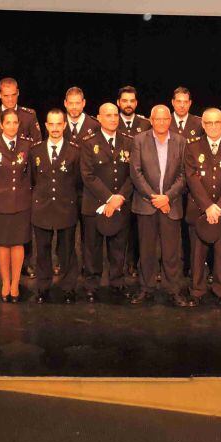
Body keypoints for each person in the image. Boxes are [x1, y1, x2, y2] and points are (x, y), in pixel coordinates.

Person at [129, 105, 190, 307]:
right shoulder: (139, 140)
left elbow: (184, 174)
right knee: (146, 251)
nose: (162, 122)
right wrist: (155, 197)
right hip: (146, 204)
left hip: (170, 205)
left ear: (169, 121)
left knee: (172, 252)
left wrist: (168, 197)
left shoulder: (181, 141)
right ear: (151, 120)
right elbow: (136, 173)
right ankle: (146, 288)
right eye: (158, 119)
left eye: (165, 119)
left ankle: (173, 290)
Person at [79, 103, 135, 302]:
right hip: (94, 203)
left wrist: (119, 198)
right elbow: (87, 175)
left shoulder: (129, 141)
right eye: (108, 115)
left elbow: (133, 175)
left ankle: (117, 283)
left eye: (115, 115)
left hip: (121, 203)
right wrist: (109, 198)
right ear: (99, 118)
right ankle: (91, 285)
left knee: (118, 246)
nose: (113, 119)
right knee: (92, 247)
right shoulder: (88, 142)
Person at [184, 108, 221, 307]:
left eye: (217, 122)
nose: (213, 126)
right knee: (197, 254)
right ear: (203, 125)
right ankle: (197, 290)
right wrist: (208, 206)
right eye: (209, 123)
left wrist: (219, 207)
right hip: (199, 209)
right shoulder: (192, 147)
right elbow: (192, 178)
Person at [30, 108, 81, 304]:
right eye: (51, 124)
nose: (55, 128)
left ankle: (68, 288)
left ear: (65, 125)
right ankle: (43, 287)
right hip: (42, 208)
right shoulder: (36, 150)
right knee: (42, 251)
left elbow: (77, 181)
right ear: (45, 126)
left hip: (65, 207)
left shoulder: (74, 151)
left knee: (67, 250)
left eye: (59, 124)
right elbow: (34, 180)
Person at [0, 108, 33, 302]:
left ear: (19, 125)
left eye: (15, 122)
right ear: (1, 125)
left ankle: (15, 283)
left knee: (18, 243)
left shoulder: (27, 145)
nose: (12, 126)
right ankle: (5, 281)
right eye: (8, 123)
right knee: (3, 243)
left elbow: (30, 175)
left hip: (21, 201)